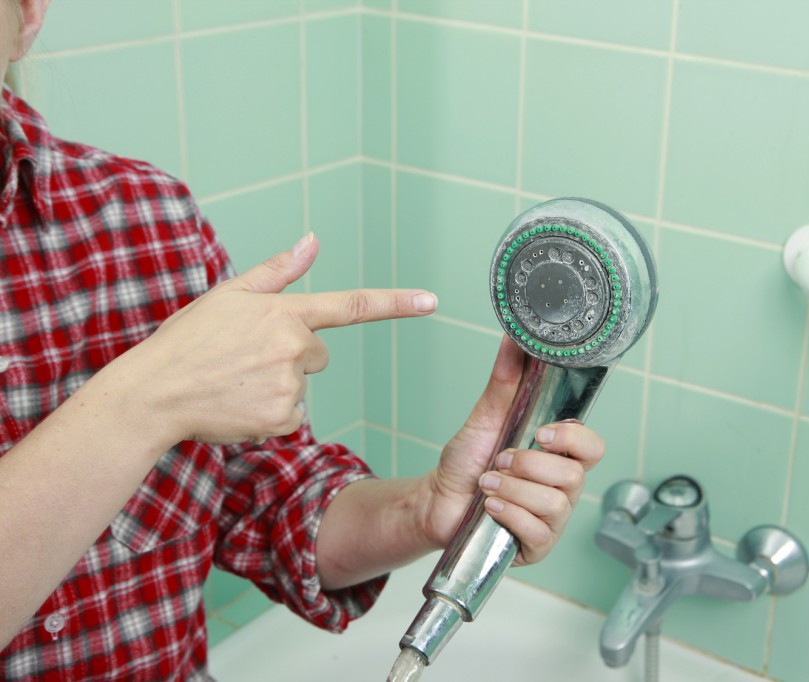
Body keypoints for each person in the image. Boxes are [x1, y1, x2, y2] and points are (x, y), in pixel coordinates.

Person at [0, 1, 606, 679]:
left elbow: (263, 498)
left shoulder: (147, 219)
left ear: (25, 16)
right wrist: (146, 399)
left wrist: (426, 510)